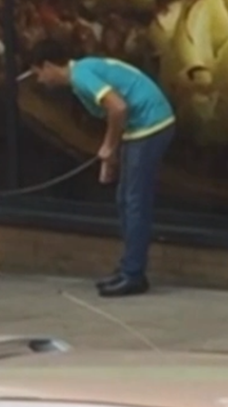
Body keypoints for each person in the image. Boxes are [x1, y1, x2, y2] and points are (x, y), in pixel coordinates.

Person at [30, 39, 176, 297]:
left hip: (150, 124)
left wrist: (108, 146)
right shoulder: (82, 74)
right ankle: (128, 267)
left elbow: (118, 107)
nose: (40, 80)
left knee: (135, 202)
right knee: (124, 200)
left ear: (50, 66)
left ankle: (134, 275)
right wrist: (110, 158)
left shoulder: (82, 75)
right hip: (139, 127)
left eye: (38, 73)